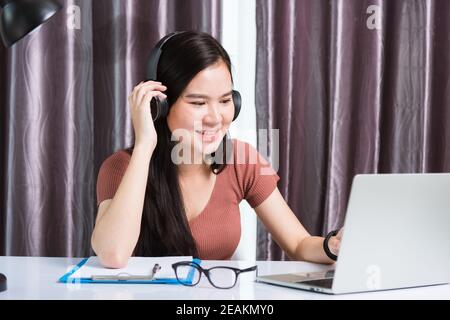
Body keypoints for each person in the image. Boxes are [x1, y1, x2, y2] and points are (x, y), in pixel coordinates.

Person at [91, 31, 343, 268]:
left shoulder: (242, 161)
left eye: (225, 101)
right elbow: (113, 254)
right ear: (160, 106)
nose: (215, 118)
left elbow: (299, 244)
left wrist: (332, 246)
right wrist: (145, 144)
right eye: (199, 103)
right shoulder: (120, 168)